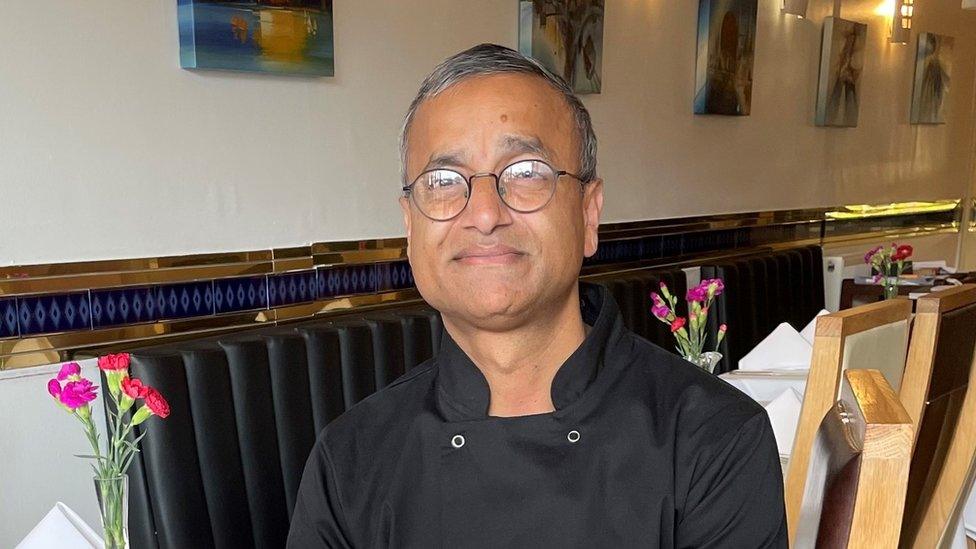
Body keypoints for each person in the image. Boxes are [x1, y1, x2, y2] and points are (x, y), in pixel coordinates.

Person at [287, 43, 787, 548]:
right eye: (442, 180)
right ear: (410, 228)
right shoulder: (351, 457)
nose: (484, 214)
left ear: (589, 214)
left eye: (526, 173)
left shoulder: (713, 439)